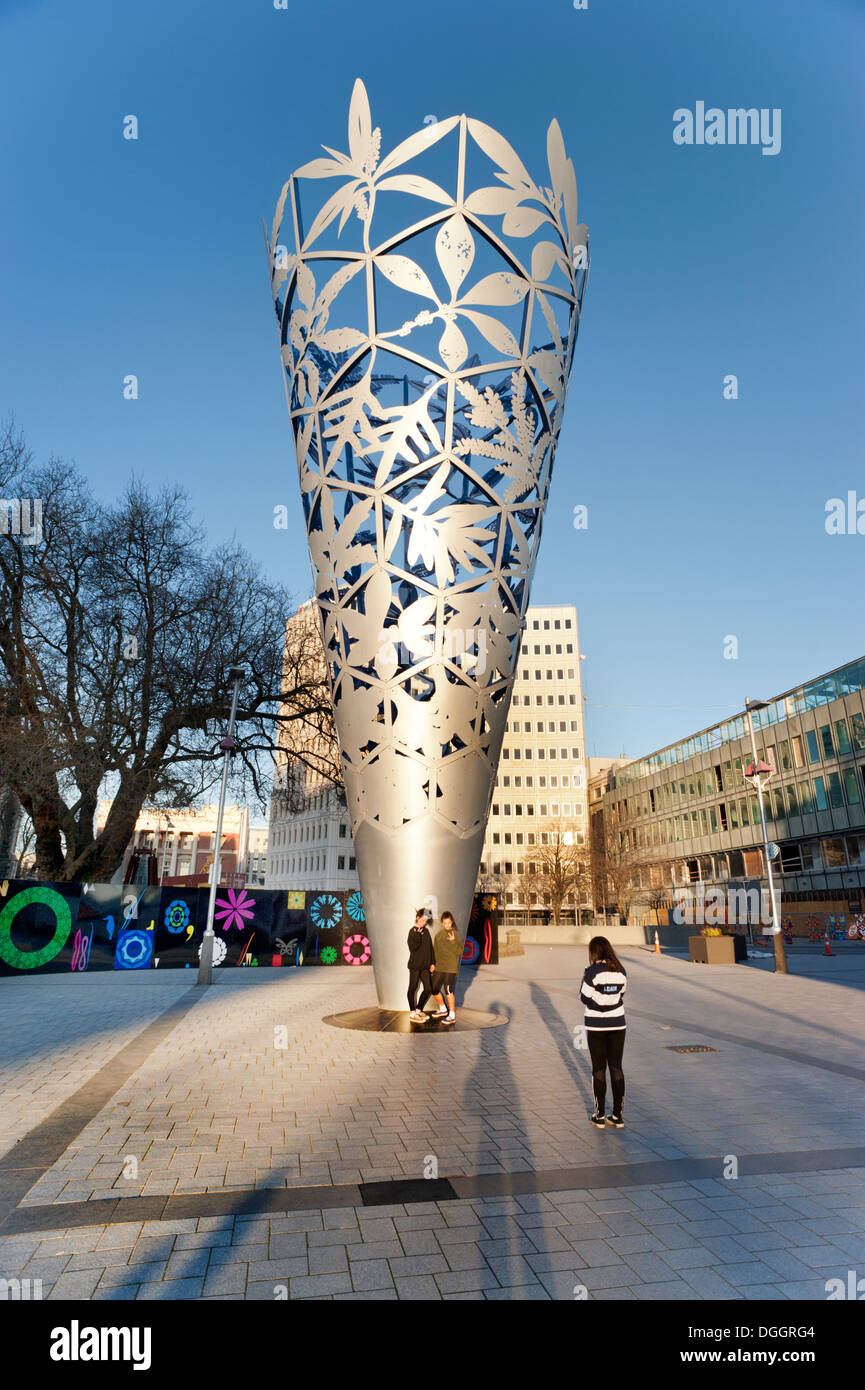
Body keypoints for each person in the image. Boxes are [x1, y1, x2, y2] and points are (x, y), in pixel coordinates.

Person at [579, 935, 627, 1128]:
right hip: (618, 1024)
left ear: (594, 952)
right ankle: (617, 1115)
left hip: (596, 1025)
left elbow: (584, 997)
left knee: (598, 1068)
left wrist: (596, 1001)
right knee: (616, 1067)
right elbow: (621, 993)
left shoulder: (592, 972)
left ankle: (599, 1115)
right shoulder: (621, 970)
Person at [431, 911, 463, 1025]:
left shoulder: (456, 934)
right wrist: (433, 964)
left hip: (451, 967)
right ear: (442, 923)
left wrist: (453, 941)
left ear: (452, 922)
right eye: (445, 923)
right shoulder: (438, 935)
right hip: (440, 966)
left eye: (449, 923)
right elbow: (435, 951)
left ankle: (452, 1015)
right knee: (433, 988)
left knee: (448, 989)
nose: (447, 925)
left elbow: (459, 952)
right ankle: (443, 1009)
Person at [407, 908, 435, 1022]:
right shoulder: (412, 932)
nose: (424, 922)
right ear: (418, 918)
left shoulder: (427, 931)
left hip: (425, 966)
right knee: (412, 988)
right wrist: (418, 934)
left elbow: (430, 948)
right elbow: (413, 948)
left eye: (426, 920)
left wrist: (433, 963)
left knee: (428, 989)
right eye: (423, 920)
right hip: (415, 966)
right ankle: (412, 1013)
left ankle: (418, 1010)